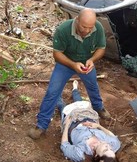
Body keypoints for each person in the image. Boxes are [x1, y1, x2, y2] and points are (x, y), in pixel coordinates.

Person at [28, 8, 111, 140]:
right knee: (52, 92)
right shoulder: (63, 29)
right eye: (84, 26)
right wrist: (72, 65)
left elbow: (101, 48)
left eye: (91, 27)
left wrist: (92, 60)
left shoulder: (98, 28)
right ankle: (42, 125)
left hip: (86, 64)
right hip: (65, 63)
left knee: (93, 87)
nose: (88, 30)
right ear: (77, 20)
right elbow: (57, 54)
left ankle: (98, 107)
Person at [61, 80, 121, 162]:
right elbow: (113, 136)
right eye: (111, 149)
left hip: (73, 123)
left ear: (96, 156)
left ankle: (57, 95)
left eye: (105, 150)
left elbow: (65, 146)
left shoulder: (81, 154)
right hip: (89, 116)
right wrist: (98, 126)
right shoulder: (114, 145)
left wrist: (67, 125)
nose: (108, 146)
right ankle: (75, 89)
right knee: (79, 101)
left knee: (62, 106)